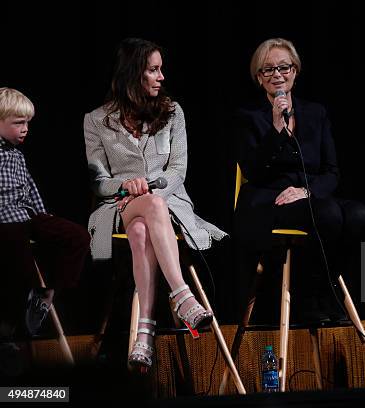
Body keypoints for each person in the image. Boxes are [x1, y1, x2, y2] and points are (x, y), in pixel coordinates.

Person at [84, 38, 226, 370]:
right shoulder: (95, 120)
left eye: (160, 69)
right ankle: (181, 294)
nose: (161, 76)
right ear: (133, 74)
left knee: (140, 232)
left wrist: (151, 198)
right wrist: (125, 185)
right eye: (153, 70)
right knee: (138, 218)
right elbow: (98, 182)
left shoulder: (173, 112)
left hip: (167, 203)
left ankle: (144, 334)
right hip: (118, 206)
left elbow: (178, 169)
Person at [233, 38, 365, 323]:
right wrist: (275, 129)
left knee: (358, 214)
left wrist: (306, 191)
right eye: (268, 70)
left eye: (283, 67)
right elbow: (253, 171)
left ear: (295, 71)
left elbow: (332, 171)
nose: (277, 75)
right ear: (259, 78)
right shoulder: (249, 117)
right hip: (268, 200)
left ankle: (327, 287)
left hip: (308, 196)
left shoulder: (316, 113)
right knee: (328, 214)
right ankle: (310, 298)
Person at [0, 87, 90, 338]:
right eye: (18, 123)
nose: (25, 128)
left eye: (27, 123)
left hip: (27, 216)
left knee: (78, 237)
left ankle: (47, 293)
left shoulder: (17, 156)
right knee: (19, 258)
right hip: (5, 219)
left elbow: (30, 187)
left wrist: (44, 216)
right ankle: (14, 320)